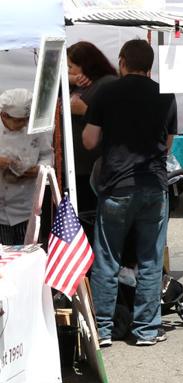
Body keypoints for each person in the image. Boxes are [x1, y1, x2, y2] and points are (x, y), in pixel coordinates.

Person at [82, 39, 177, 347]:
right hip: (153, 185)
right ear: (150, 66)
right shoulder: (165, 94)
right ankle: (146, 329)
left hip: (116, 185)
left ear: (122, 62)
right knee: (150, 259)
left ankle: (103, 329)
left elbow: (89, 140)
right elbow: (169, 143)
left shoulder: (107, 92)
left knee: (107, 259)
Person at [66, 41, 118, 212]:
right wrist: (71, 78)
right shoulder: (76, 84)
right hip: (75, 164)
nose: (68, 70)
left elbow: (116, 118)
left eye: (71, 66)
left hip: (92, 164)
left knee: (89, 210)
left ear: (85, 64)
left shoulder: (107, 83)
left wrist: (85, 110)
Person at [0, 89, 53, 244]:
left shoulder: (36, 128)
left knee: (29, 251)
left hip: (26, 206)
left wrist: (39, 169)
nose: (23, 124)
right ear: (4, 115)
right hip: (1, 207)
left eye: (26, 119)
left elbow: (47, 155)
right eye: (18, 121)